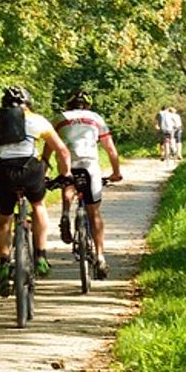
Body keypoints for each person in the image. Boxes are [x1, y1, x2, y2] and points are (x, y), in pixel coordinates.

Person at [0, 86, 71, 297]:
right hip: (30, 171)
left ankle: (4, 263)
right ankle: (41, 257)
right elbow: (62, 150)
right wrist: (66, 173)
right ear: (28, 103)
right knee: (38, 206)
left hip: (3, 173)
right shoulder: (38, 120)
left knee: (5, 220)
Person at [43, 90, 122, 279]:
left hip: (68, 163)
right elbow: (110, 149)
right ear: (87, 105)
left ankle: (64, 215)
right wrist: (116, 173)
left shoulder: (59, 118)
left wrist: (43, 174)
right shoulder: (96, 118)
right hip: (90, 164)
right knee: (94, 212)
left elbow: (46, 153)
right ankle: (101, 257)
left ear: (69, 104)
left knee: (68, 182)